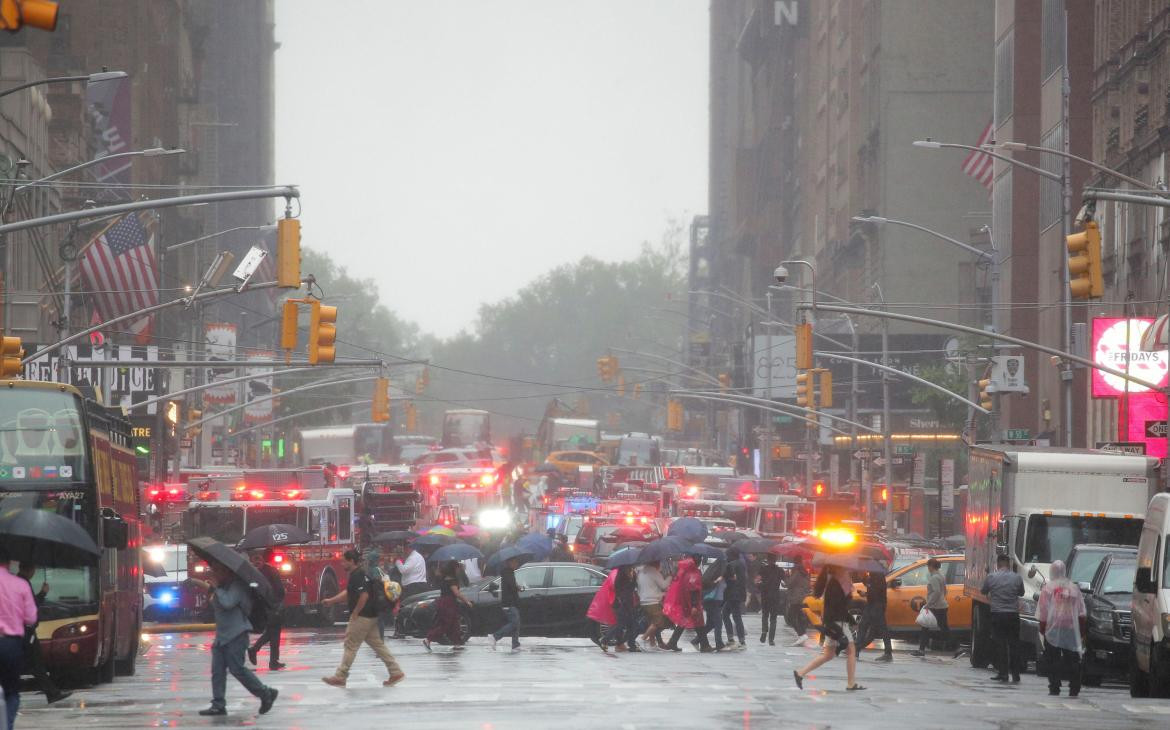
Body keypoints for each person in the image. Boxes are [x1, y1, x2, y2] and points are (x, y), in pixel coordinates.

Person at [194, 562, 278, 716]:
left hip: (236, 634)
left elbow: (227, 603)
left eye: (218, 571)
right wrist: (205, 586)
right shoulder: (223, 587)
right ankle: (218, 704)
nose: (215, 574)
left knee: (237, 669)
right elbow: (217, 602)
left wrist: (215, 588)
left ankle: (266, 693)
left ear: (227, 571)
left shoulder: (238, 587)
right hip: (222, 636)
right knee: (217, 671)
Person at [321, 549, 405, 688]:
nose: (342, 564)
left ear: (352, 561)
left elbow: (364, 595)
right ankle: (395, 672)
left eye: (344, 561)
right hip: (371, 616)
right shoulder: (361, 573)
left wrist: (355, 612)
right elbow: (349, 593)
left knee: (350, 645)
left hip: (363, 616)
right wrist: (331, 601)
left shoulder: (357, 575)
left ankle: (340, 676)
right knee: (378, 645)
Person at [793, 564, 864, 691]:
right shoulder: (835, 584)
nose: (847, 570)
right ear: (839, 569)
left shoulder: (835, 582)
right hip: (838, 623)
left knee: (828, 654)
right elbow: (838, 608)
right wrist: (847, 619)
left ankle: (800, 673)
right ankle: (851, 683)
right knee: (851, 651)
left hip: (834, 622)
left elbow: (838, 606)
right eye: (845, 568)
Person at [14, 564, 71, 703]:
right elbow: (31, 606)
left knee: (34, 665)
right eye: (33, 569)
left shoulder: (18, 581)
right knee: (36, 664)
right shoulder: (23, 583)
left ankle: (52, 692)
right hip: (27, 632)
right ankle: (52, 693)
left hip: (23, 631)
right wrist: (43, 593)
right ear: (29, 569)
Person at [1036, 559, 1086, 697]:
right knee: (1073, 659)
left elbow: (1043, 610)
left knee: (1053, 659)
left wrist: (1043, 627)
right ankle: (1074, 686)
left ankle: (1054, 685)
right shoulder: (1073, 588)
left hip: (1053, 628)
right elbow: (1081, 611)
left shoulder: (1048, 588)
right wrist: (1081, 631)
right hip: (1071, 629)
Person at [1, 547, 37, 729]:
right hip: (11, 645)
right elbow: (31, 618)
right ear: (9, 564)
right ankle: (6, 725)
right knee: (11, 691)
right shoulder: (20, 585)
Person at [981, 554, 1025, 683]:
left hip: (997, 615)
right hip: (1012, 615)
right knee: (1014, 645)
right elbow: (1021, 593)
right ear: (1008, 564)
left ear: (998, 564)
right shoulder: (1017, 578)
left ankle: (1003, 673)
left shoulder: (991, 577)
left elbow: (983, 591)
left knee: (1000, 645)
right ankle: (1016, 674)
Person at [247, 550, 286, 670]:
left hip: (272, 605)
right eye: (254, 559)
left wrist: (277, 603)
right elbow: (251, 589)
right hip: (261, 607)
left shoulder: (271, 571)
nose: (257, 561)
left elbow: (279, 589)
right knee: (273, 632)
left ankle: (271, 660)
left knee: (273, 632)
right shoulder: (250, 574)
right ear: (251, 561)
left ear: (263, 559)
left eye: (259, 558)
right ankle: (267, 657)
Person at [424, 560, 473, 651]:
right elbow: (456, 593)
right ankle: (428, 639)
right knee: (446, 624)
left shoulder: (444, 577)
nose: (459, 570)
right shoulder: (452, 580)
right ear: (454, 568)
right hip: (448, 603)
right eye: (458, 567)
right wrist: (467, 601)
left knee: (454, 623)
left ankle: (457, 643)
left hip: (444, 602)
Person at [662, 558, 704, 652]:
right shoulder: (693, 575)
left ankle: (672, 642)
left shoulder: (683, 573)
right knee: (698, 622)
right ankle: (704, 644)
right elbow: (694, 590)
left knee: (685, 623)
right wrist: (694, 605)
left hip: (685, 602)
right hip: (692, 604)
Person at [912, 558, 949, 657]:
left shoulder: (934, 578)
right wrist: (941, 598)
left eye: (928, 566)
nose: (928, 568)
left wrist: (929, 604)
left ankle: (957, 648)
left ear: (931, 566)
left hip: (936, 606)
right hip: (941, 605)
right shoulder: (941, 576)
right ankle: (921, 650)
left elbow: (936, 592)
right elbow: (944, 591)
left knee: (942, 628)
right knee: (927, 627)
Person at [601, 566, 641, 653]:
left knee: (632, 625)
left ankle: (630, 644)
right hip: (621, 603)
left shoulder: (632, 572)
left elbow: (633, 587)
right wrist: (621, 598)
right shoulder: (620, 573)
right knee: (621, 625)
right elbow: (617, 587)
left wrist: (634, 578)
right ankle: (605, 640)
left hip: (629, 602)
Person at [858, 566, 892, 662]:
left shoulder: (877, 575)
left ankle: (888, 653)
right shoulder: (873, 574)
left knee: (880, 629)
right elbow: (870, 586)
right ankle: (856, 649)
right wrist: (864, 577)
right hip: (872, 604)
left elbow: (875, 591)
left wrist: (865, 594)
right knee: (864, 626)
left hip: (877, 605)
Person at [637, 562, 672, 650]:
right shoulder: (653, 572)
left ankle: (652, 644)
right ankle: (642, 638)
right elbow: (664, 585)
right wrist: (670, 577)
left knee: (651, 623)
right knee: (658, 622)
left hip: (643, 601)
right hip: (653, 601)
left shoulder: (641, 572)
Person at [491, 556, 523, 651]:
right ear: (510, 563)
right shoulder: (507, 573)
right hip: (509, 602)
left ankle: (515, 644)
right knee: (514, 623)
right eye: (515, 562)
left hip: (511, 602)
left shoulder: (509, 573)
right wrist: (517, 587)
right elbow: (512, 587)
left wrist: (517, 586)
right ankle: (495, 636)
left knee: (516, 623)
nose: (516, 564)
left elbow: (512, 585)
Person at [696, 557, 725, 653]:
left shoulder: (712, 570)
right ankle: (719, 643)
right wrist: (717, 581)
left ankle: (696, 640)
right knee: (718, 623)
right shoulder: (719, 574)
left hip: (710, 600)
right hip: (714, 600)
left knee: (711, 624)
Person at [722, 546, 747, 650]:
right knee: (728, 614)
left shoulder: (731, 565)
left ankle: (739, 640)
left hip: (732, 594)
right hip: (739, 594)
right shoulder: (742, 564)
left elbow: (727, 578)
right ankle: (734, 639)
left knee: (735, 616)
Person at [755, 554, 783, 646]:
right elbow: (786, 582)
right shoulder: (780, 570)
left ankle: (764, 632)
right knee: (773, 618)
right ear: (776, 559)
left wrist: (759, 584)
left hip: (765, 595)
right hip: (775, 596)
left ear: (767, 559)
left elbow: (757, 581)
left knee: (765, 615)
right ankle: (771, 639)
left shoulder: (763, 569)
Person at [785, 561, 811, 645]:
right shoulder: (806, 573)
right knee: (800, 617)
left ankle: (802, 634)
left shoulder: (796, 572)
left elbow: (789, 583)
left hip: (796, 598)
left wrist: (787, 576)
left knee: (791, 617)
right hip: (804, 597)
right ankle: (802, 635)